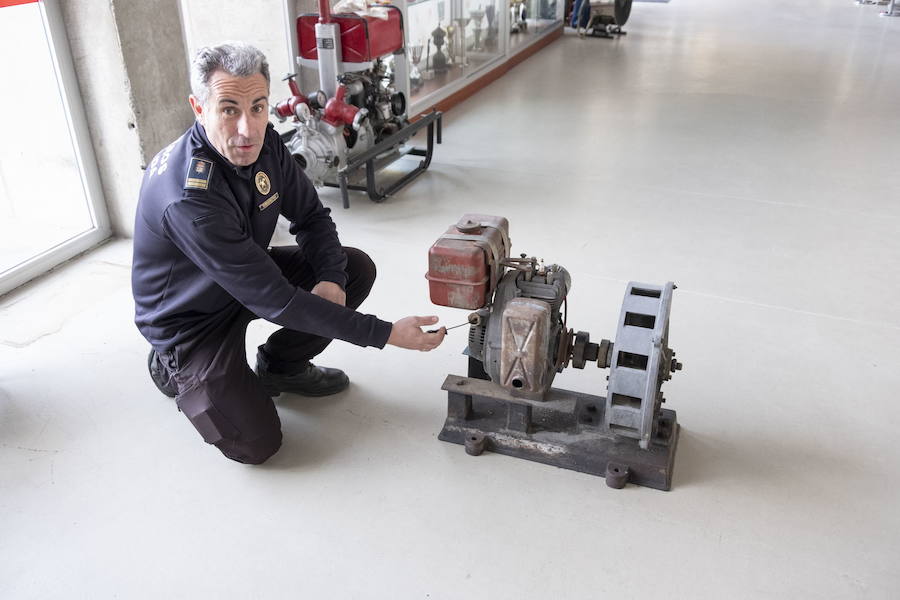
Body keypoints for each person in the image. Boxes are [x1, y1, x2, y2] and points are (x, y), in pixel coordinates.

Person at [131, 42, 445, 465]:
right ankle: (170, 367)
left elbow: (312, 217)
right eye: (228, 109)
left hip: (243, 275)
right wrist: (386, 334)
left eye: (258, 107)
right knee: (256, 444)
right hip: (190, 319)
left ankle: (281, 366)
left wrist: (331, 279)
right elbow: (276, 300)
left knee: (353, 270)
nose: (247, 128)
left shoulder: (266, 146)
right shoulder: (188, 198)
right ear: (198, 107)